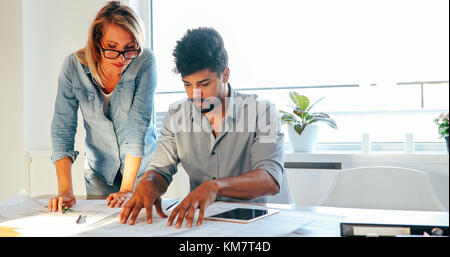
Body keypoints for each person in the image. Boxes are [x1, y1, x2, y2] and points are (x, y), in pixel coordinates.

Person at [120, 27, 285, 228]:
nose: (194, 94)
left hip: (252, 225)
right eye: (187, 84)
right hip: (200, 224)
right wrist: (149, 183)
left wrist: (216, 187)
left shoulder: (263, 112)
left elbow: (270, 179)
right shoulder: (176, 115)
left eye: (204, 84)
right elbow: (160, 171)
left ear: (225, 75)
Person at [49, 1, 157, 212]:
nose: (122, 58)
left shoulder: (144, 62)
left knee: (141, 226)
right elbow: (63, 129)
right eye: (112, 48)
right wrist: (65, 191)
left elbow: (138, 127)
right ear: (97, 41)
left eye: (129, 48)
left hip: (141, 169)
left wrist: (127, 189)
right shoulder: (73, 67)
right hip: (100, 170)